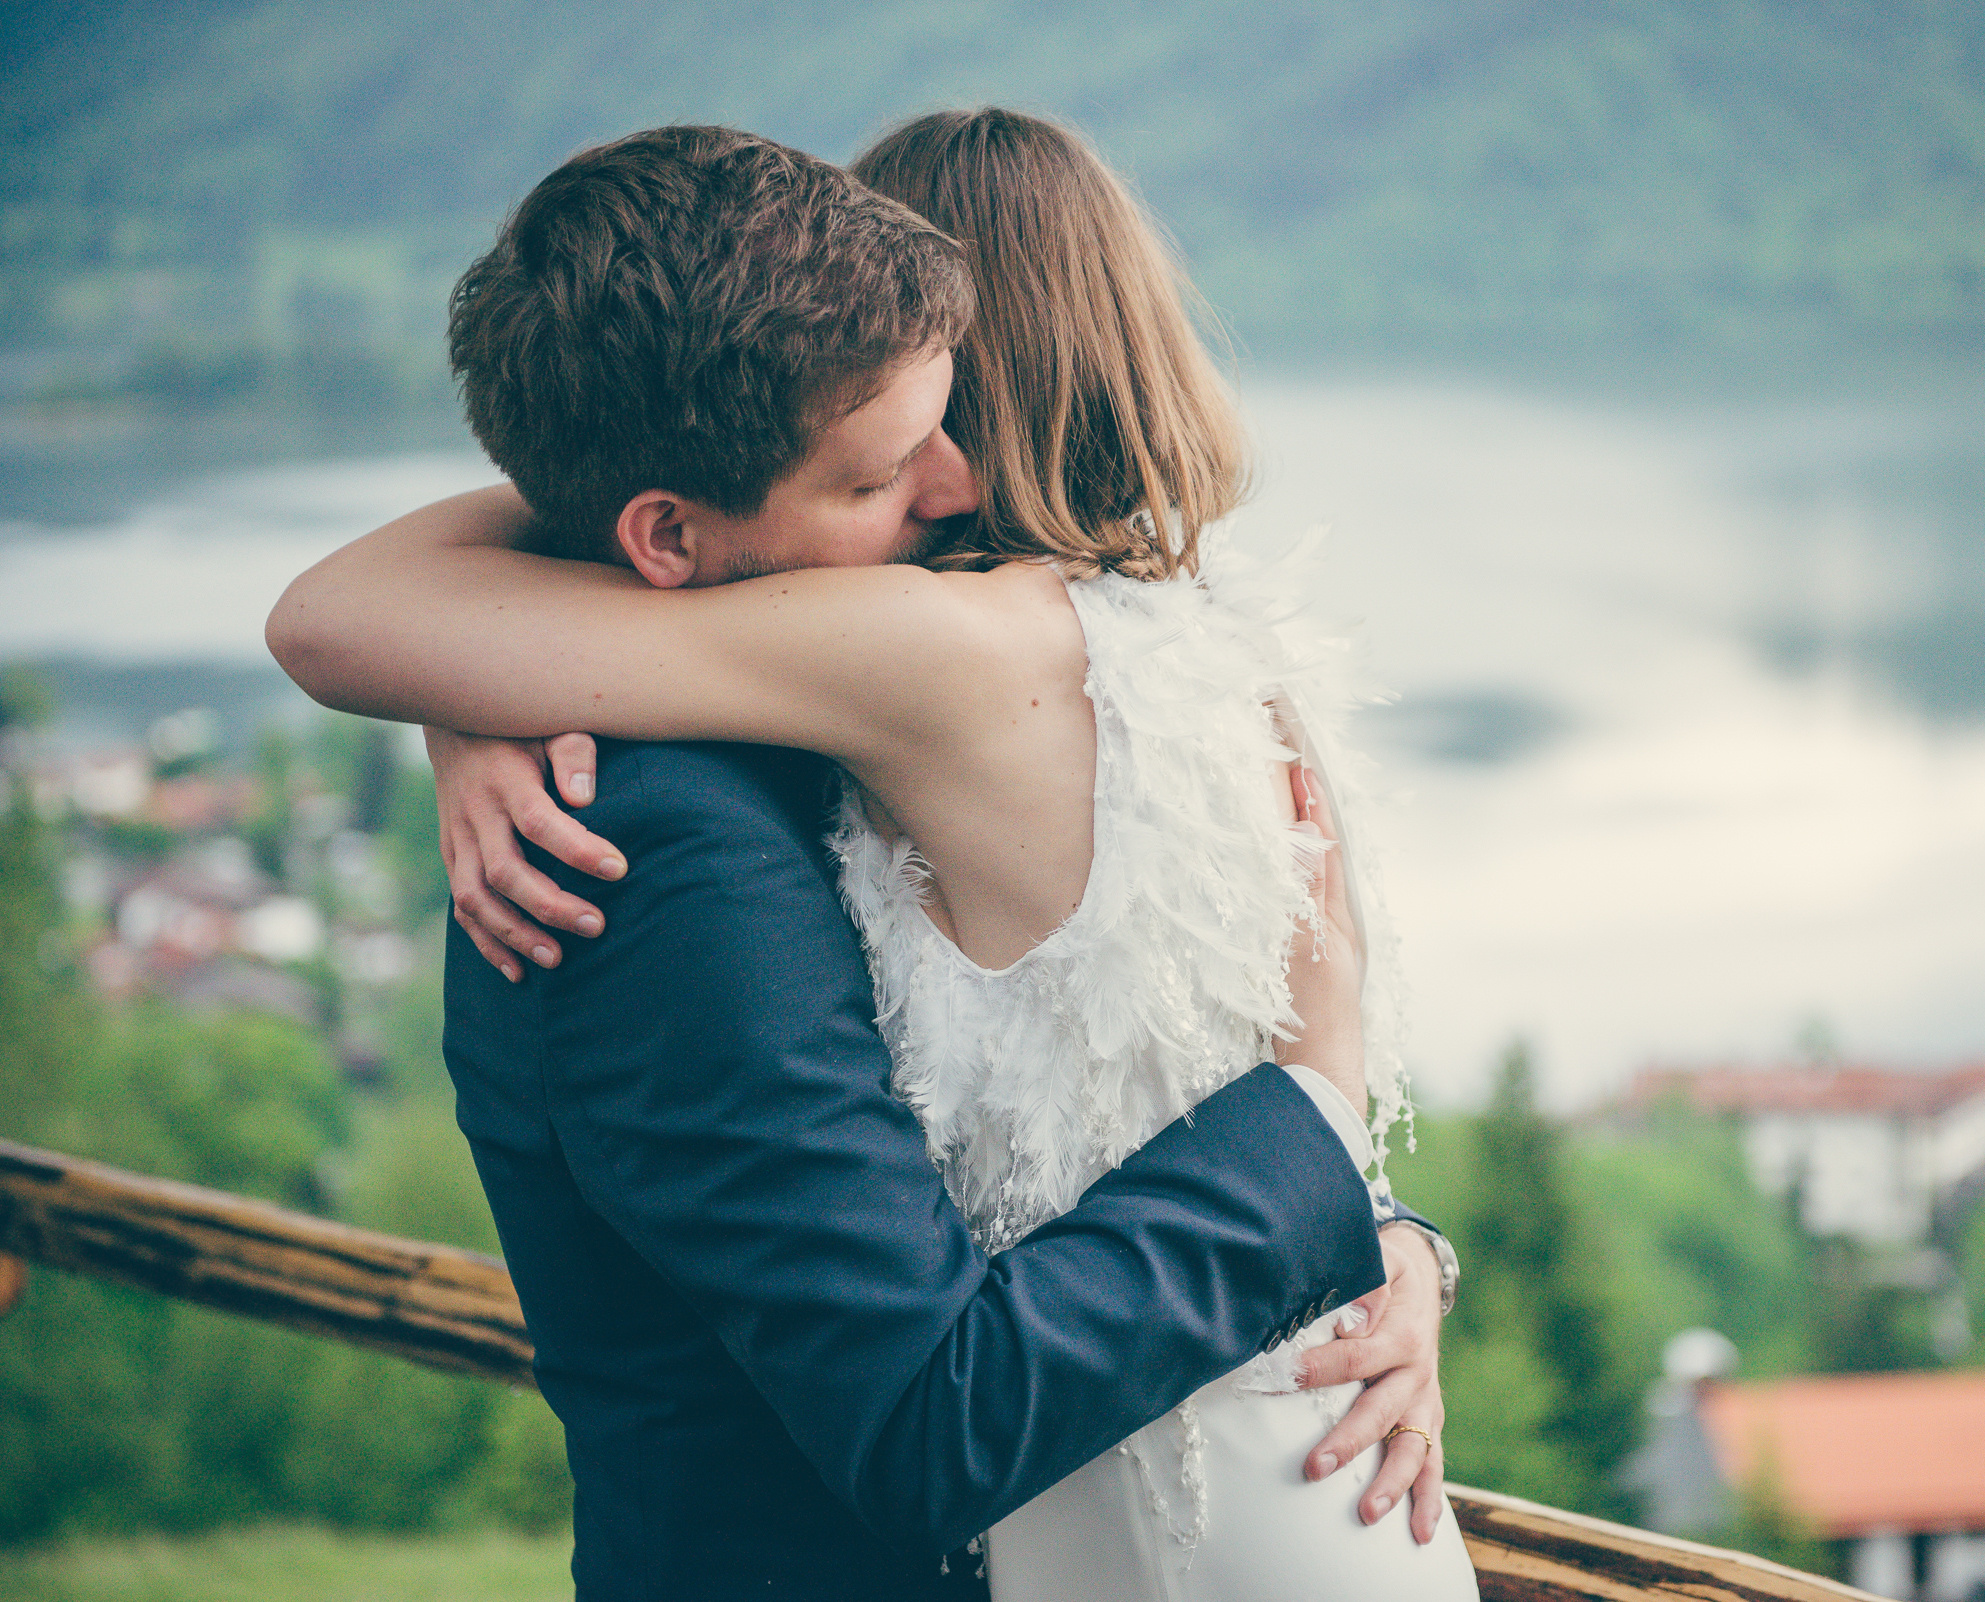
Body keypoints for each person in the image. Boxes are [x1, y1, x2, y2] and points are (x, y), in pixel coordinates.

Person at [270, 118, 1472, 1599]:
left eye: (940, 424)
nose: (949, 485)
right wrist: (1332, 1157)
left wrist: (495, 654)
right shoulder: (1174, 636)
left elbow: (348, 614)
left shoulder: (916, 667)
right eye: (884, 460)